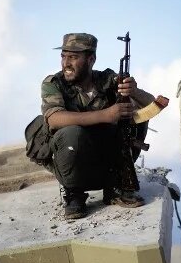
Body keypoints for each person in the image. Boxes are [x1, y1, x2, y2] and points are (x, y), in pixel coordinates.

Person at [40, 33, 160, 220]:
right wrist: (106, 115)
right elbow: (54, 118)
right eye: (63, 56)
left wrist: (133, 91)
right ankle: (74, 195)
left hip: (107, 162)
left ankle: (116, 187)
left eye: (73, 57)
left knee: (135, 117)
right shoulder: (54, 84)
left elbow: (151, 106)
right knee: (71, 133)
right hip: (74, 165)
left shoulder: (108, 80)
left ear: (91, 59)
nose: (66, 63)